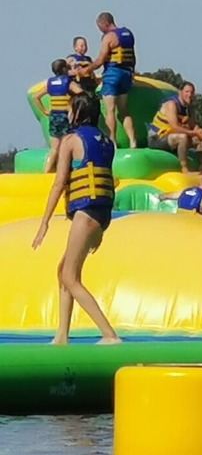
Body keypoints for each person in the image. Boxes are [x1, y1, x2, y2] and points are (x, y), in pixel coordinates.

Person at [31, 92, 122, 345]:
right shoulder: (106, 141)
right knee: (64, 270)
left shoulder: (70, 140)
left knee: (70, 276)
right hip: (101, 213)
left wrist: (44, 223)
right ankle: (62, 335)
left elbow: (60, 182)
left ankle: (109, 335)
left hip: (86, 212)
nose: (69, 113)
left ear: (78, 113)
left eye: (71, 109)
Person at [78, 13, 137, 146]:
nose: (100, 30)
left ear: (105, 23)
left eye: (99, 27)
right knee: (124, 110)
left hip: (112, 74)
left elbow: (100, 60)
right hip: (126, 73)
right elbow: (133, 56)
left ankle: (112, 141)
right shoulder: (128, 34)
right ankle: (133, 141)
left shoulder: (109, 37)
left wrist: (86, 70)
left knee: (110, 110)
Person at [147, 82, 202, 172]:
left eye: (192, 92)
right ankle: (184, 168)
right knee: (182, 137)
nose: (189, 95)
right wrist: (194, 133)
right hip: (157, 138)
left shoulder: (189, 108)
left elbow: (194, 126)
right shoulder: (171, 104)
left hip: (172, 136)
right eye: (187, 92)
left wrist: (201, 133)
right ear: (180, 92)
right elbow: (175, 127)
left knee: (201, 138)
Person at [37, 58, 84, 173]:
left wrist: (44, 111)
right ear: (64, 69)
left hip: (54, 117)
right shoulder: (68, 82)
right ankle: (68, 171)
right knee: (67, 145)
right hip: (65, 117)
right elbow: (81, 93)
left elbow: (36, 97)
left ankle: (46, 173)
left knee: (54, 148)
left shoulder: (50, 83)